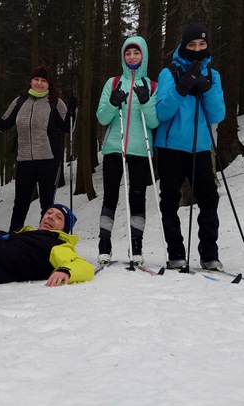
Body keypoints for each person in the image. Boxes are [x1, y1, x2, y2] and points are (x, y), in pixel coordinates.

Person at [154, 24, 226, 271]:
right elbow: (162, 112)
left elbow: (218, 114)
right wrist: (181, 88)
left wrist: (205, 88)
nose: (197, 49)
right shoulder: (169, 72)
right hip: (170, 146)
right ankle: (176, 252)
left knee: (209, 198)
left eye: (202, 44)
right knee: (170, 199)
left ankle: (209, 253)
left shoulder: (213, 75)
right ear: (184, 46)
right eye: (192, 45)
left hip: (200, 147)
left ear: (207, 46)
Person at [0, 65, 76, 232]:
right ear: (31, 81)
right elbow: (4, 124)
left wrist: (73, 110)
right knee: (20, 204)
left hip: (49, 161)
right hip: (25, 161)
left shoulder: (55, 102)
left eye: (43, 81)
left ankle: (44, 239)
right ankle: (13, 236)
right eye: (36, 79)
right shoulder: (20, 101)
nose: (39, 83)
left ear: (49, 84)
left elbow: (68, 127)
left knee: (47, 205)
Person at [95, 36, 159, 266]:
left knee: (137, 197)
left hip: (141, 149)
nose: (132, 57)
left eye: (136, 53)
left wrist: (146, 101)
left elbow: (154, 122)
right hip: (114, 147)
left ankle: (136, 246)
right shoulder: (113, 83)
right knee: (110, 197)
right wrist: (113, 103)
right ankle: (104, 245)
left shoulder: (152, 86)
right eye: (128, 53)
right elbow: (102, 118)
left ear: (144, 55)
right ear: (123, 56)